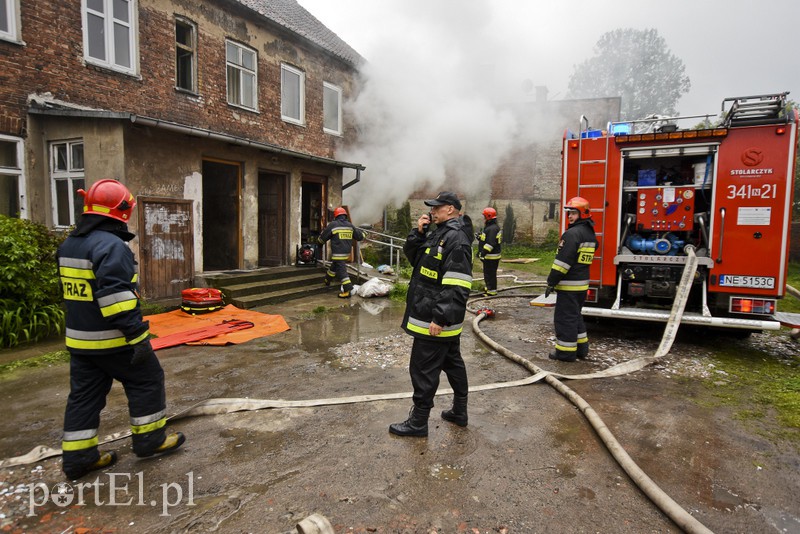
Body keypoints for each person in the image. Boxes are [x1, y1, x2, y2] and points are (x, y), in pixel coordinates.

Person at [57, 179, 185, 480]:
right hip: (113, 340)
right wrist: (137, 337)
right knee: (147, 380)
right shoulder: (111, 246)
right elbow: (115, 299)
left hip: (80, 342)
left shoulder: (70, 245)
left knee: (84, 397)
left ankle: (78, 459)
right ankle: (150, 441)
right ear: (121, 211)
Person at [390, 192, 474, 437]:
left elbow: (458, 283)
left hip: (434, 319)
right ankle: (459, 412)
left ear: (450, 209)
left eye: (436, 208)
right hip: (435, 315)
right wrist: (418, 234)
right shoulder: (440, 232)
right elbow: (416, 260)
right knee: (452, 364)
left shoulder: (456, 238)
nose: (432, 211)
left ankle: (418, 422)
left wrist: (441, 317)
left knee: (423, 369)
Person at [545, 196, 597, 362]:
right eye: (569, 213)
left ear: (582, 214)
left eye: (573, 213)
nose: (570, 216)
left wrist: (551, 281)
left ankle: (565, 353)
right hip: (581, 285)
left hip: (569, 286)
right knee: (575, 316)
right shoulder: (589, 233)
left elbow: (562, 263)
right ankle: (582, 349)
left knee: (565, 318)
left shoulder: (572, 234)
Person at [318, 206, 365, 298]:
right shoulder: (350, 225)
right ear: (345, 216)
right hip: (346, 253)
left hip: (337, 253)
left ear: (335, 216)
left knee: (342, 272)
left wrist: (319, 244)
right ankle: (327, 280)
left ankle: (348, 290)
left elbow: (323, 237)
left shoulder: (333, 225)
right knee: (335, 266)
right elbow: (359, 237)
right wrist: (364, 234)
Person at [477, 207, 502, 296]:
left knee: (490, 274)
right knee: (488, 273)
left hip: (491, 256)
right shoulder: (491, 227)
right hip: (491, 256)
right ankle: (489, 287)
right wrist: (480, 238)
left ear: (488, 216)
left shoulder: (491, 228)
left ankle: (491, 291)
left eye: (484, 216)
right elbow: (487, 239)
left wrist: (482, 253)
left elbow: (490, 244)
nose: (483, 218)